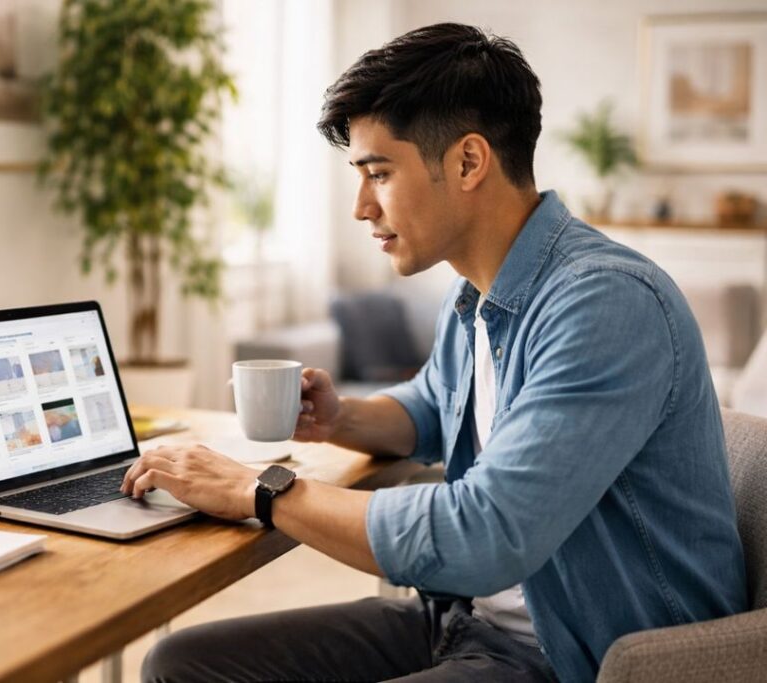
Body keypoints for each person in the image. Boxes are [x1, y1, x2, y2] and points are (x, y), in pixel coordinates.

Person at [121, 22, 747, 682]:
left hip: (575, 653)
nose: (363, 206)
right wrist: (342, 417)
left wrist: (260, 489)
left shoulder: (605, 304)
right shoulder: (483, 291)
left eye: (380, 173)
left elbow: (486, 534)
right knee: (181, 662)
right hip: (464, 621)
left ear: (469, 162)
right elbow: (432, 406)